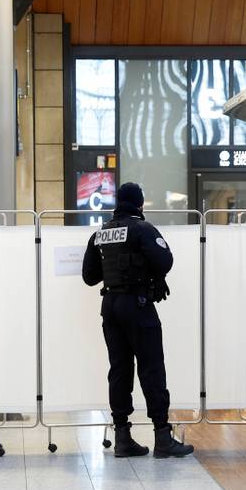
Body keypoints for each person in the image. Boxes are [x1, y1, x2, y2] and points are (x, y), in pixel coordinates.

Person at [81, 182, 194, 459]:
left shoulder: (101, 233)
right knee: (151, 368)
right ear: (140, 204)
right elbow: (165, 261)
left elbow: (89, 277)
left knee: (119, 370)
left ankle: (123, 438)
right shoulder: (143, 229)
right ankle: (163, 438)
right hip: (138, 305)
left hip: (110, 307)